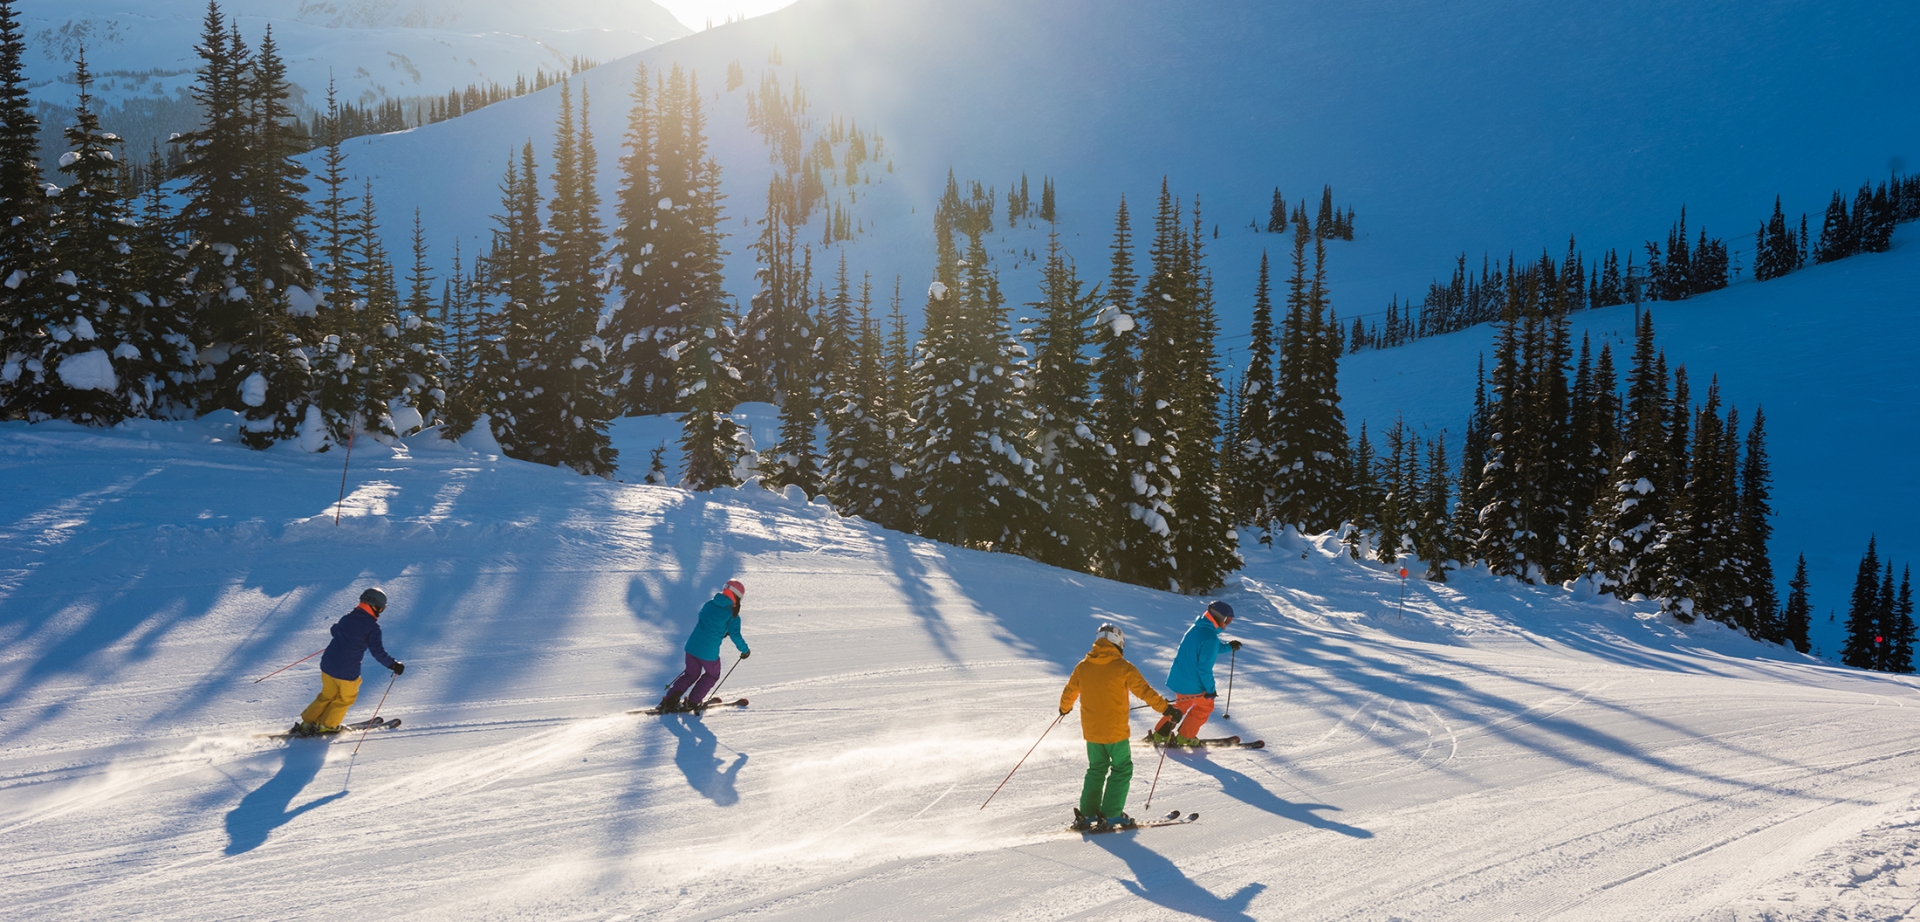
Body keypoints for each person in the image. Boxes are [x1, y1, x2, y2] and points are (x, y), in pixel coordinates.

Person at [1059, 623, 1183, 831]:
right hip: (1115, 732)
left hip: (1092, 732)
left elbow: (1069, 691)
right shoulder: (1123, 667)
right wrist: (1167, 710)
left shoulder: (1083, 666)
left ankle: (1088, 814)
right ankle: (1111, 814)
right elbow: (1145, 691)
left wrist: (1064, 708)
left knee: (1096, 768)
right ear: (1119, 642)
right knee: (1122, 768)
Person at [292, 587, 403, 736]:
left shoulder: (348, 617)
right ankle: (328, 725)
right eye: (381, 609)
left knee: (327, 695)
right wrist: (393, 664)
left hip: (327, 665)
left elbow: (334, 631)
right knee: (345, 699)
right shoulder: (372, 628)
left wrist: (347, 635)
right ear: (375, 607)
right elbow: (377, 651)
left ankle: (307, 722)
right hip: (346, 671)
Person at [1150, 600, 1242, 745]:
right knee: (1205, 706)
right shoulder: (1210, 638)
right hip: (1193, 683)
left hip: (1180, 678)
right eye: (1227, 620)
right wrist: (1210, 690)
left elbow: (1208, 648)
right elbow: (1204, 668)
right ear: (1218, 617)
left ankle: (1161, 733)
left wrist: (1228, 647)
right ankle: (1185, 736)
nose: (1227, 624)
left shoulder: (1197, 628)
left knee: (1181, 706)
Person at [658, 579, 750, 712]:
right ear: (738, 597)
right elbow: (736, 636)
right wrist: (745, 650)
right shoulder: (733, 615)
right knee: (712, 675)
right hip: (708, 653)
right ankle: (694, 702)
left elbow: (704, 618)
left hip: (691, 647)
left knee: (691, 674)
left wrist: (720, 631)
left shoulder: (709, 603)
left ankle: (670, 700)